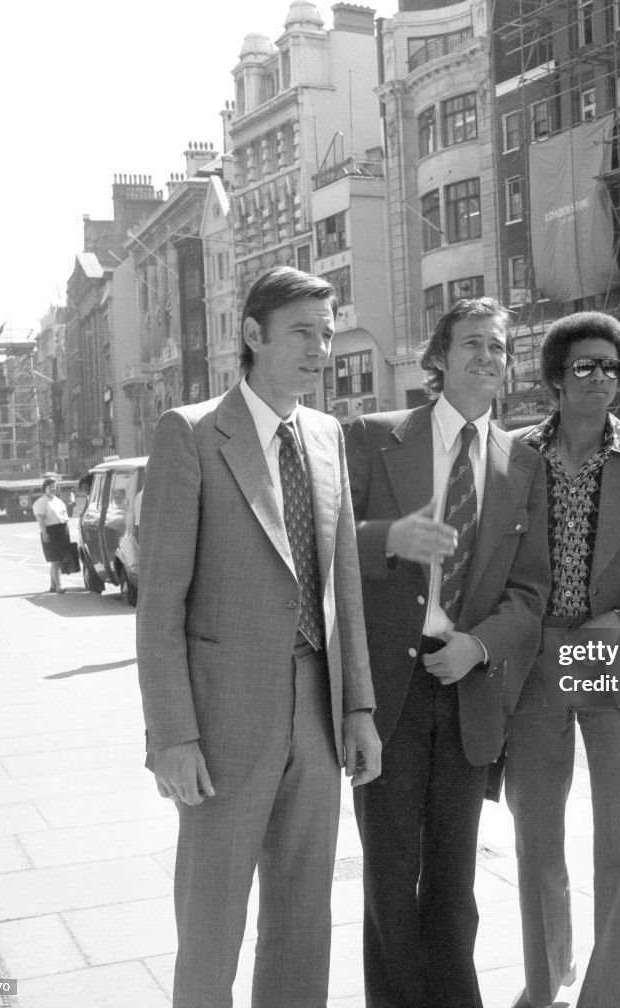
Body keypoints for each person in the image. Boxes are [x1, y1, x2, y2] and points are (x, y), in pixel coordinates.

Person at [136, 266, 382, 1008]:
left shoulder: (328, 435)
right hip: (221, 724)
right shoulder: (191, 433)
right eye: (304, 332)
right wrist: (172, 736)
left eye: (328, 334)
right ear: (252, 335)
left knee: (304, 919)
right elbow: (160, 606)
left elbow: (344, 587)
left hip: (316, 713)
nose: (322, 349)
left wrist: (359, 710)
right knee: (212, 924)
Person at [345, 297, 550, 1008]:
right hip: (390, 697)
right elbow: (327, 547)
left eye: (497, 347)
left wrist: (478, 646)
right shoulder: (373, 439)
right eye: (471, 344)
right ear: (438, 357)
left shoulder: (524, 460)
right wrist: (387, 538)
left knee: (454, 886)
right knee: (389, 881)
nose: (486, 358)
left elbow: (531, 593)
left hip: (466, 690)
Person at [505, 313, 620, 1008]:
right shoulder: (513, 452)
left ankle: (614, 994)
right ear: (555, 377)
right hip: (536, 660)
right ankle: (544, 982)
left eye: (612, 367)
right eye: (585, 366)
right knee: (537, 838)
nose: (601, 378)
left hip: (610, 656)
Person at [32, 478, 69, 593]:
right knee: (55, 560)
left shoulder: (57, 500)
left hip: (62, 530)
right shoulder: (41, 502)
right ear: (45, 488)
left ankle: (53, 586)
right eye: (50, 487)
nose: (53, 489)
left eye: (54, 486)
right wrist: (44, 533)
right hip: (51, 531)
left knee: (58, 560)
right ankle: (59, 586)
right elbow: (40, 519)